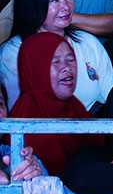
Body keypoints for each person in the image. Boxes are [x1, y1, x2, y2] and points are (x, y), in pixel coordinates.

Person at [0, 0, 113, 111]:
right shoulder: (14, 52)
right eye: (55, 0)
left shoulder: (87, 42)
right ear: (34, 4)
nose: (66, 6)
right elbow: (20, 110)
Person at [9, 32, 102, 175]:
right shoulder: (22, 123)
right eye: (55, 61)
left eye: (70, 59)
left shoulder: (76, 109)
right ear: (35, 68)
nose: (67, 67)